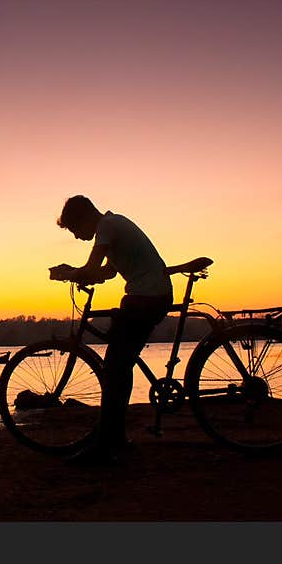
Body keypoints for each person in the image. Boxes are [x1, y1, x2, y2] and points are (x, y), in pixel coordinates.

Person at [50, 195, 172, 464]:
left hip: (146, 297)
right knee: (120, 365)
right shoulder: (113, 224)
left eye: (74, 230)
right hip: (152, 295)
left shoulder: (107, 227)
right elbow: (106, 273)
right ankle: (115, 438)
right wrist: (78, 273)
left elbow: (92, 268)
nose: (76, 236)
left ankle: (106, 444)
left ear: (84, 218)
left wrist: (68, 273)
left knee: (114, 367)